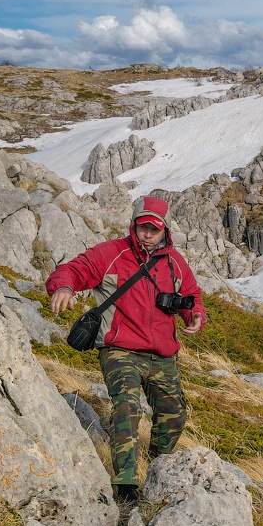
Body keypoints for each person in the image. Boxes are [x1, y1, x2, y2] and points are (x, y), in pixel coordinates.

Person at [46, 195, 207, 506]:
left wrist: (194, 315)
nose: (147, 234)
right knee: (127, 406)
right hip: (120, 350)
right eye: (142, 227)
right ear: (133, 225)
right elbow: (73, 270)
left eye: (154, 229)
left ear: (165, 230)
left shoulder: (175, 262)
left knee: (174, 413)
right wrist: (64, 287)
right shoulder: (111, 254)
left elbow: (191, 294)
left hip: (163, 353)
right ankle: (126, 486)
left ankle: (160, 465)